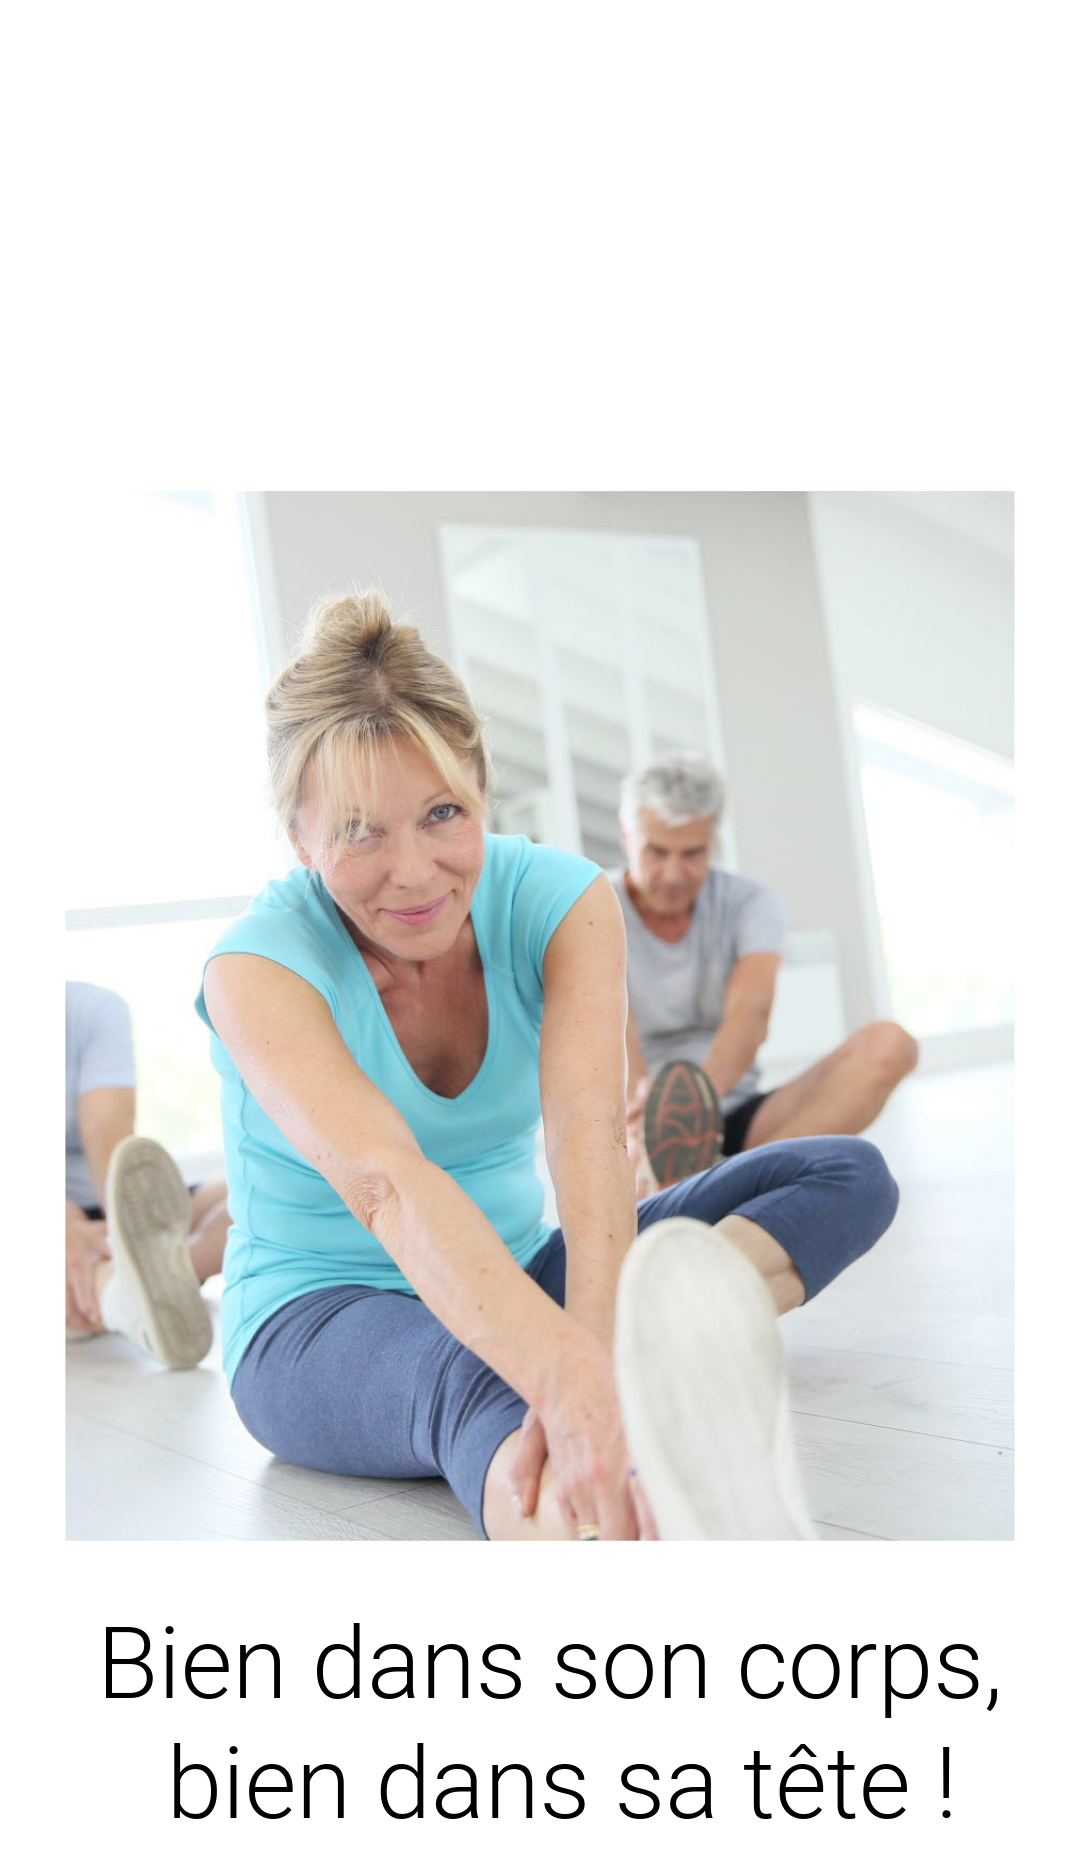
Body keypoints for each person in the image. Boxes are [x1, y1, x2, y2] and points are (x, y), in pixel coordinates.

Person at [197, 590, 900, 1542]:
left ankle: (621, 1371)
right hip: (320, 1316)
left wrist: (589, 1347)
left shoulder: (560, 899)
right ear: (300, 839)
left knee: (842, 1175)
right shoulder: (257, 967)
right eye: (360, 831)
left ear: (483, 793)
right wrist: (560, 1375)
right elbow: (387, 1186)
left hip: (520, 1267)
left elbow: (585, 1131)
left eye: (442, 813)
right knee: (490, 1379)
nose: (415, 871)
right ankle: (650, 1540)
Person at [611, 753, 919, 1193]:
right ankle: (707, 1187)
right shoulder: (595, 905)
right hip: (634, 1117)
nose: (674, 873)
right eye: (656, 852)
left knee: (891, 1045)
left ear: (713, 842)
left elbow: (751, 1011)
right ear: (626, 836)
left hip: (732, 1110)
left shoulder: (751, 902)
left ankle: (730, 1186)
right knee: (616, 1140)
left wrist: (692, 1108)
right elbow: (611, 1026)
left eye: (693, 853)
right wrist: (655, 1120)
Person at [65, 980, 228, 1365]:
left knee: (256, 1190)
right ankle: (121, 1295)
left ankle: (152, 1279)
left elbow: (109, 1140)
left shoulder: (91, 1008)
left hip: (110, 1206)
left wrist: (119, 1234)